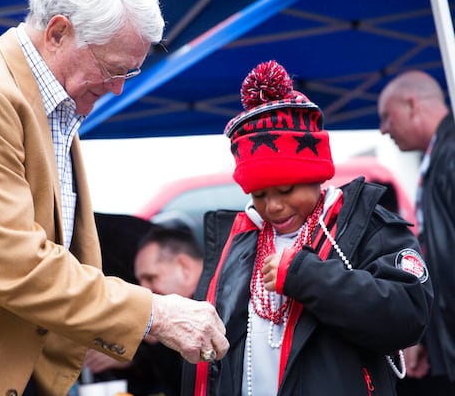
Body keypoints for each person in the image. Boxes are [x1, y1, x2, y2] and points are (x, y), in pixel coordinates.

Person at [0, 0, 229, 395]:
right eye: (112, 68)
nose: (118, 88)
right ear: (58, 33)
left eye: (130, 72)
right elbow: (17, 264)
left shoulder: (44, 106)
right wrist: (156, 313)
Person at [181, 60, 433, 396]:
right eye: (259, 194)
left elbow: (408, 315)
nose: (273, 206)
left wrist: (306, 275)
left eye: (286, 190)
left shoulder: (366, 227)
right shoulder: (239, 241)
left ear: (317, 174)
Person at [378, 70, 455, 395]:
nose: (383, 129)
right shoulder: (440, 156)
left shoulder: (450, 156)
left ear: (412, 105)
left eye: (386, 116)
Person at [84, 225, 204, 396]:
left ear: (184, 269)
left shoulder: (223, 304)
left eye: (150, 278)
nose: (144, 290)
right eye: (140, 282)